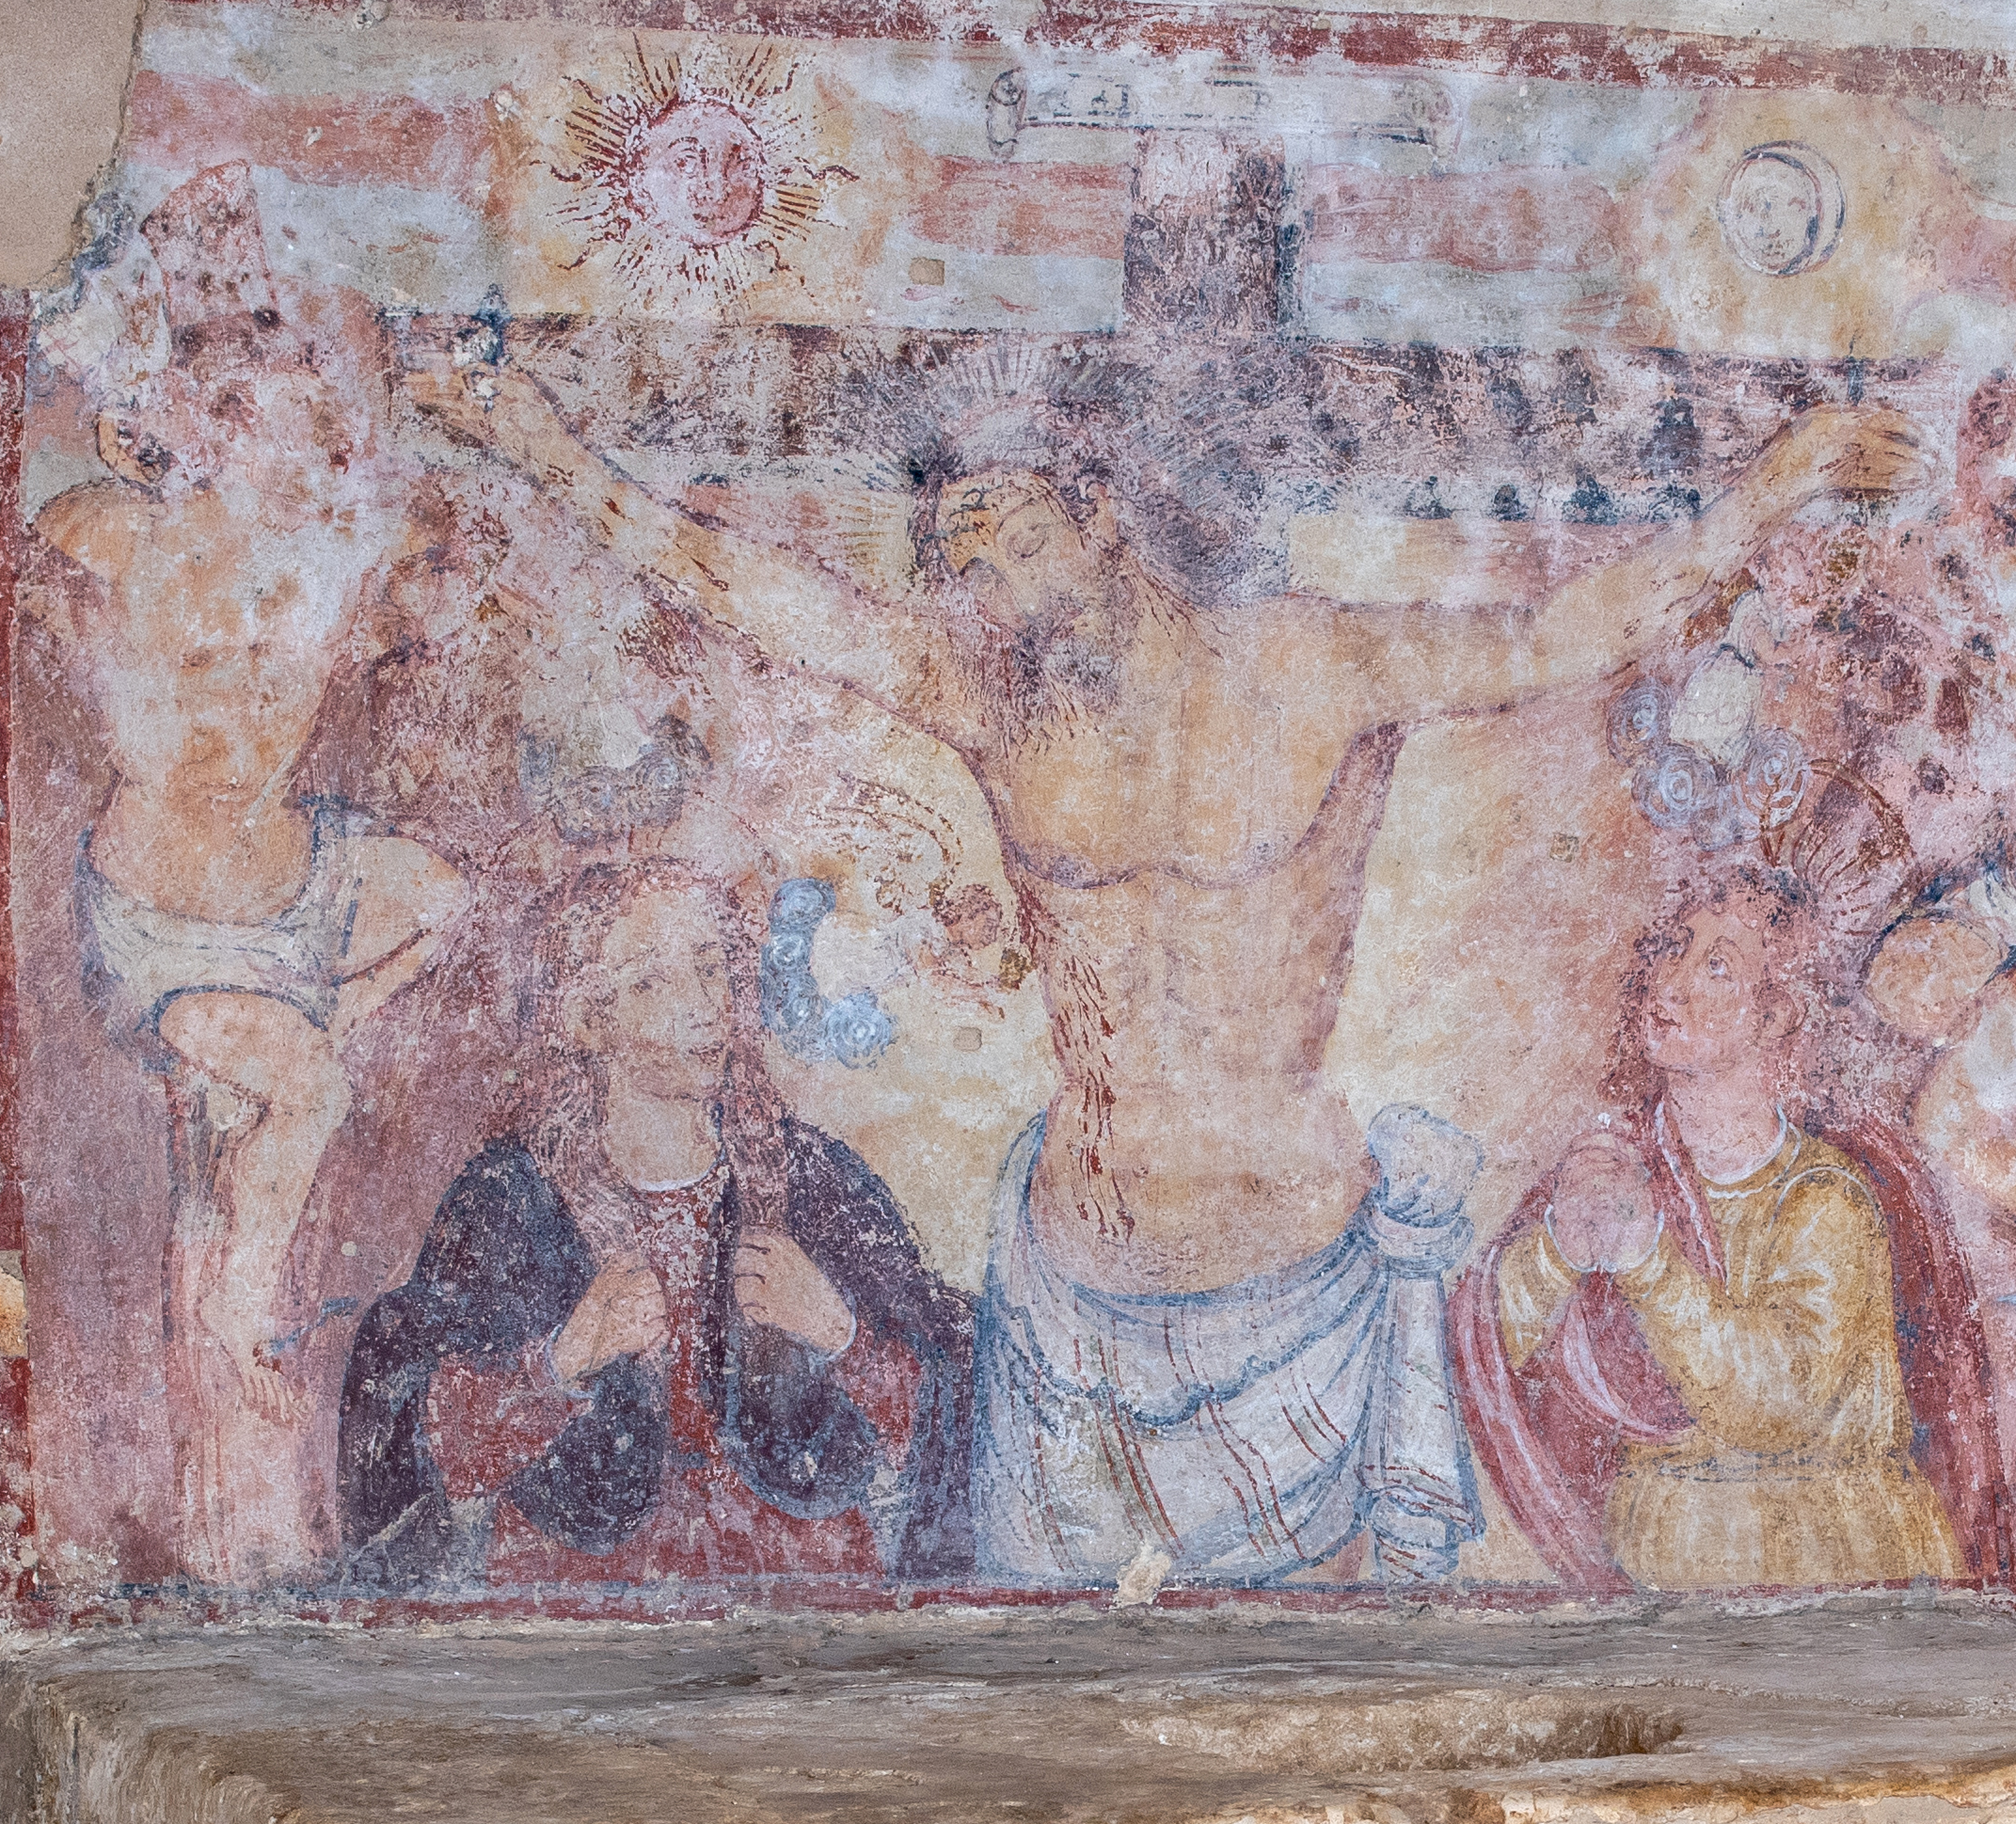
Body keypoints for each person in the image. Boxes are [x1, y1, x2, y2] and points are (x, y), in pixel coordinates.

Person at [408, 348, 1929, 1585]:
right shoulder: (985, 699)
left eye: (1013, 530)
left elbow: (1562, 630)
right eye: (958, 558)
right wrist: (543, 446)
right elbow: (750, 592)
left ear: (1100, 514)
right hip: (1070, 1280)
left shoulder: (1309, 666)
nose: (985, 577)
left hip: (1290, 1279)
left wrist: (1774, 491)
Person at [24, 174, 462, 1501]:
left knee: (443, 901)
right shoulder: (121, 538)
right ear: (194, 418)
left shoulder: (320, 564)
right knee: (302, 1089)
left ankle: (310, 1025)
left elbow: (409, 575)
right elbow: (50, 586)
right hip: (171, 920)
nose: (288, 439)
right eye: (252, 409)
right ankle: (238, 1305)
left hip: (302, 884)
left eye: (306, 413)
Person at [335, 862, 972, 1592]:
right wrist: (563, 1360)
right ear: (589, 1019)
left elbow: (941, 1399)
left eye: (711, 970)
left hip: (800, 1599)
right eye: (651, 983)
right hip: (578, 1606)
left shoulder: (815, 1181)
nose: (702, 1007)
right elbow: (426, 1437)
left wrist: (838, 1332)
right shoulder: (509, 1199)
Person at [1463, 872, 1998, 1593]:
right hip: (1656, 1551)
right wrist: (1560, 1244)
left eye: (1717, 966)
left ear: (1776, 1017)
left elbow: (1776, 1404)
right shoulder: (1618, 1165)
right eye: (1675, 950)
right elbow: (1490, 1346)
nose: (1671, 983)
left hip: (1823, 1556)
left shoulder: (1826, 1199)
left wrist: (1646, 1257)